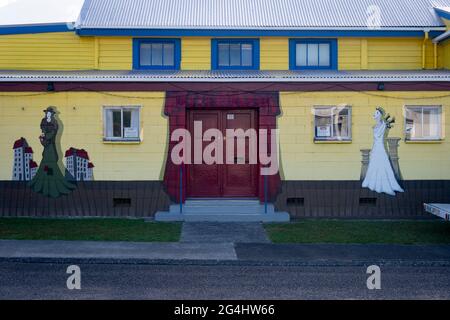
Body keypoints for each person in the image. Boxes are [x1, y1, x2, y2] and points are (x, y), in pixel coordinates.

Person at [29, 107, 75, 198]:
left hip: (50, 144)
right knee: (46, 159)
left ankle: (52, 179)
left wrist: (45, 137)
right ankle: (45, 178)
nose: (48, 114)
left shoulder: (54, 122)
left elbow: (53, 133)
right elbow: (43, 130)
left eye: (50, 113)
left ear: (52, 114)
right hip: (46, 144)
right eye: (47, 113)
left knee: (51, 159)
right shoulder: (43, 121)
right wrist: (43, 136)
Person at [362, 107, 404, 196]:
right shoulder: (376, 126)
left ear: (380, 115)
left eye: (376, 113)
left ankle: (386, 185)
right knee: (374, 165)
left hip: (380, 147)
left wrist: (386, 123)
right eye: (375, 112)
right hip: (376, 147)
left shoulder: (383, 125)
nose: (374, 114)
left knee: (383, 164)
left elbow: (377, 136)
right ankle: (372, 183)